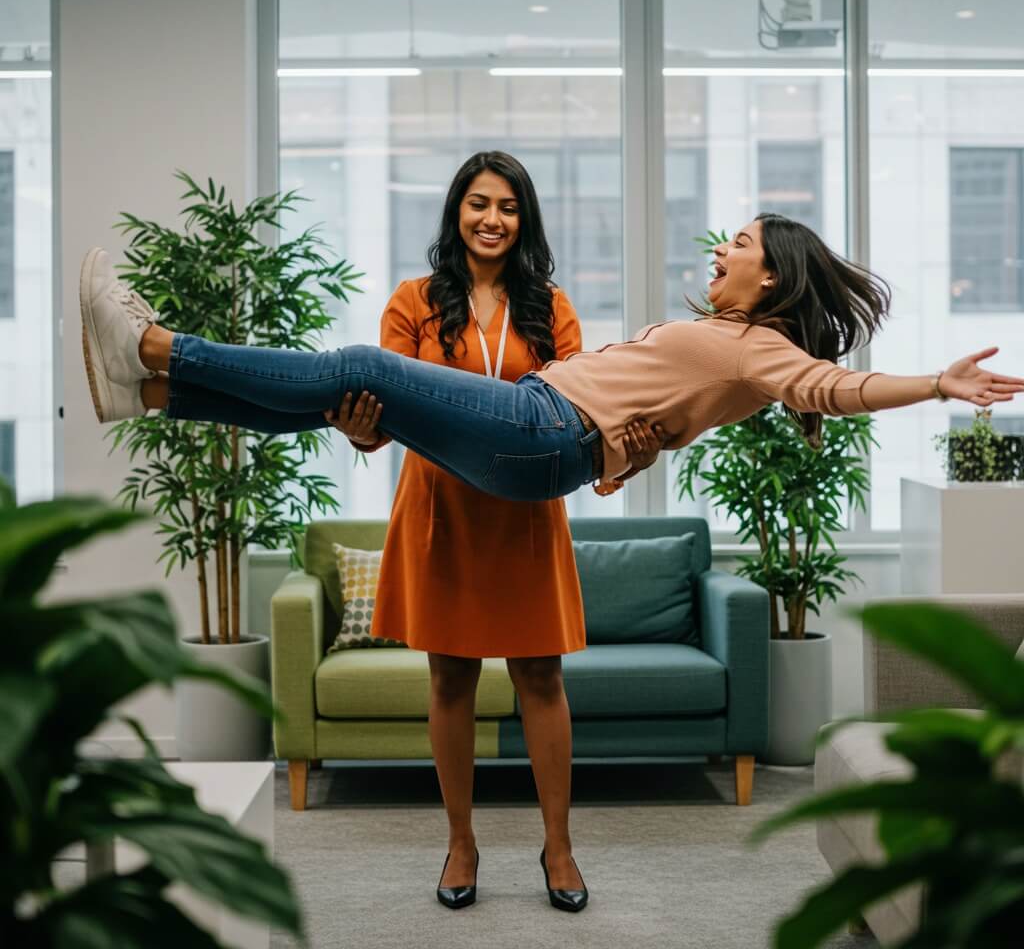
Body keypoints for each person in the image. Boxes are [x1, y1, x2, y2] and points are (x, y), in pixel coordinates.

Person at [80, 212, 1024, 507]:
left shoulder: (764, 347)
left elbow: (838, 386)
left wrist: (937, 384)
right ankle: (154, 391)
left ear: (772, 278)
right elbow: (645, 428)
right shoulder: (740, 347)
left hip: (541, 430)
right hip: (544, 438)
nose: (722, 249)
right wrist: (628, 449)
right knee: (337, 395)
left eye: (739, 241)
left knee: (358, 362)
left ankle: (157, 342)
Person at [331, 151, 589, 911]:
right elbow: (385, 418)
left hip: (525, 514)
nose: (492, 219)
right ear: (456, 213)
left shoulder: (551, 308)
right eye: (479, 204)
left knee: (542, 677)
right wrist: (359, 430)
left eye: (508, 207)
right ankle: (461, 842)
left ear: (524, 220)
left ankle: (560, 848)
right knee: (449, 679)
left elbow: (581, 410)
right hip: (442, 509)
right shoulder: (412, 301)